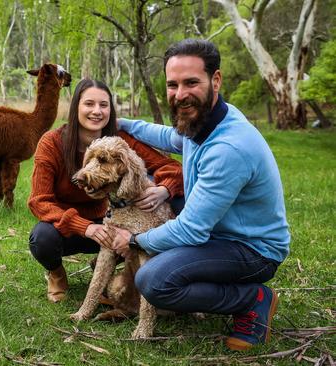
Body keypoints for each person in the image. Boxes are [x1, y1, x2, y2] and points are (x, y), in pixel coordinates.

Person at [112, 39, 290, 351]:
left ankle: (252, 299)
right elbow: (171, 137)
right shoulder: (206, 118)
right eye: (172, 84)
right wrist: (123, 124)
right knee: (162, 216)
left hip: (253, 250)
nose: (180, 95)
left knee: (153, 280)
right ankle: (210, 279)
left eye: (191, 82)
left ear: (215, 80)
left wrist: (134, 241)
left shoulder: (229, 148)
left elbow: (191, 229)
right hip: (219, 232)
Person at [27, 79, 184, 303]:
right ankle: (57, 274)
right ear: (76, 108)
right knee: (42, 238)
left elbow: (171, 167)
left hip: (114, 220)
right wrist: (86, 227)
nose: (97, 111)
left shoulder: (119, 142)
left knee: (166, 210)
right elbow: (39, 201)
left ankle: (109, 266)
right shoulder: (52, 143)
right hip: (71, 227)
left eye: (104, 105)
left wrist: (164, 190)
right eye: (89, 104)